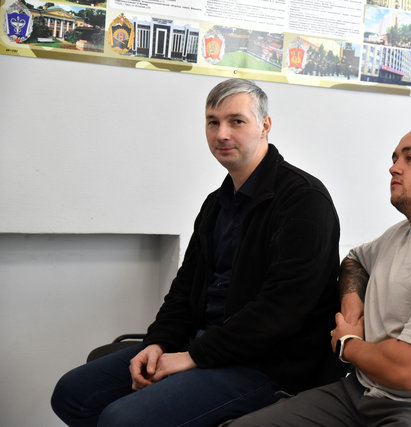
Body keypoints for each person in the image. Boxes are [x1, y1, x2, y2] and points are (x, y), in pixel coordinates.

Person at [51, 78, 343, 426]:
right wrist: (158, 343)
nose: (222, 134)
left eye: (236, 121)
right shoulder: (216, 204)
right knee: (72, 393)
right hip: (205, 345)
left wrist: (193, 357)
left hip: (268, 363)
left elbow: (282, 310)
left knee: (121, 419)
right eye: (212, 122)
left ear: (265, 125)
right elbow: (185, 288)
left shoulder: (304, 200)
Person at [231, 124, 411, 426]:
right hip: (369, 391)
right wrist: (352, 309)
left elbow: (407, 372)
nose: (394, 168)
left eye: (410, 158)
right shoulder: (402, 234)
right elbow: (354, 261)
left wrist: (348, 342)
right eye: (395, 158)